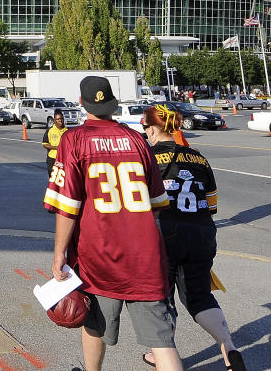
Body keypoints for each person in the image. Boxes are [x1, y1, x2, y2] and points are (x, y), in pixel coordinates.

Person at [44, 76, 182, 371]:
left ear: (82, 104)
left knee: (95, 325)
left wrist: (59, 253)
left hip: (99, 254)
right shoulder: (137, 139)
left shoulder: (73, 139)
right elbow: (158, 203)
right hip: (144, 255)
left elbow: (67, 206)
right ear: (112, 104)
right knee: (162, 341)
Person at [140, 104, 247, 371]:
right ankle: (228, 347)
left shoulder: (147, 157)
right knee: (199, 296)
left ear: (152, 129)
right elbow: (211, 204)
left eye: (145, 128)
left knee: (161, 297)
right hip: (202, 231)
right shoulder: (199, 157)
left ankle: (164, 356)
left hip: (165, 231)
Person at [42, 109, 66, 188]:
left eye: (62, 118)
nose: (60, 121)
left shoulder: (68, 131)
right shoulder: (50, 131)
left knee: (63, 181)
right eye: (58, 119)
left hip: (64, 160)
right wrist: (56, 148)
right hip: (52, 159)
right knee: (53, 181)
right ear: (54, 120)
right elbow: (45, 144)